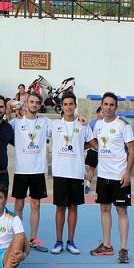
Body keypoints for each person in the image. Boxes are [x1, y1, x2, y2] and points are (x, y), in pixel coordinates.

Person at [90, 92, 134, 264]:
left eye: (111, 104)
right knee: (104, 209)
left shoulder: (123, 125)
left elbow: (132, 150)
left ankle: (123, 249)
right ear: (101, 105)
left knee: (121, 211)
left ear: (115, 107)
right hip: (103, 175)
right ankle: (107, 245)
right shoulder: (98, 125)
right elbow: (96, 143)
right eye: (105, 104)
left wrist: (127, 173)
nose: (108, 107)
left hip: (119, 176)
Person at [49, 92, 96, 255]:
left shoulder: (83, 125)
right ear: (61, 106)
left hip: (76, 172)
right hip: (60, 172)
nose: (68, 107)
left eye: (71, 104)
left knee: (73, 207)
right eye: (65, 104)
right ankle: (58, 241)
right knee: (60, 208)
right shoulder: (54, 125)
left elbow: (93, 143)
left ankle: (70, 241)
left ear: (75, 106)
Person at [6, 92, 51, 252]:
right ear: (26, 104)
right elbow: (3, 127)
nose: (34, 105)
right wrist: (8, 108)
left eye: (36, 103)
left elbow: (63, 129)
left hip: (38, 170)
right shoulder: (17, 123)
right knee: (18, 205)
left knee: (36, 204)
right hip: (21, 170)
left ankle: (33, 238)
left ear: (39, 105)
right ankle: (18, 237)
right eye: (31, 102)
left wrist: (80, 121)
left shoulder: (46, 122)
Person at [85, 107, 103, 194]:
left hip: (104, 152)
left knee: (104, 170)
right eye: (101, 112)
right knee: (91, 169)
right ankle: (87, 185)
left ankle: (101, 188)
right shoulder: (92, 124)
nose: (103, 114)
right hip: (93, 151)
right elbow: (87, 136)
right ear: (98, 113)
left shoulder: (109, 124)